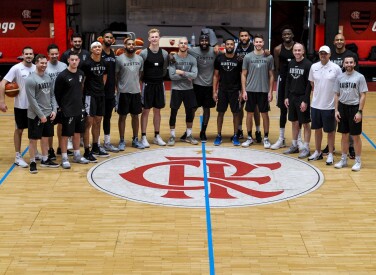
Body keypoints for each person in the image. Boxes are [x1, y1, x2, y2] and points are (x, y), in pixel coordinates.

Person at [323, 33, 359, 158]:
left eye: (341, 39)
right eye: (337, 39)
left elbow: (356, 75)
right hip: (331, 92)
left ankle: (350, 147)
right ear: (333, 42)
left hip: (346, 92)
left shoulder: (351, 55)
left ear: (344, 41)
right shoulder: (330, 55)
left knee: (348, 123)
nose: (339, 41)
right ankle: (330, 145)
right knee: (332, 120)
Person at [0, 46, 36, 168]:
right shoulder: (16, 68)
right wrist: (1, 101)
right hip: (21, 105)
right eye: (26, 54)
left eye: (31, 54)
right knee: (19, 130)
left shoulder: (36, 68)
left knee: (34, 131)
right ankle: (17, 156)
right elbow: (2, 83)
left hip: (34, 106)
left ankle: (34, 152)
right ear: (22, 55)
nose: (29, 56)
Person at [54, 51, 90, 169]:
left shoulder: (81, 74)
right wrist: (62, 107)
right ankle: (64, 157)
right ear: (68, 61)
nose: (74, 62)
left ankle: (77, 155)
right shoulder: (62, 76)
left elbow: (81, 89)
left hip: (79, 108)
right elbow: (57, 93)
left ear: (79, 61)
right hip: (67, 110)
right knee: (65, 134)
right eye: (72, 60)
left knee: (77, 133)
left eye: (76, 60)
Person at [308, 45, 342, 164]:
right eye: (321, 53)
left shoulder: (336, 68)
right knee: (317, 130)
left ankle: (331, 154)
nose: (323, 55)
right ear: (319, 54)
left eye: (325, 53)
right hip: (316, 105)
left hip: (330, 106)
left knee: (330, 131)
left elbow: (339, 87)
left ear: (329, 54)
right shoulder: (313, 67)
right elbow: (313, 84)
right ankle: (317, 152)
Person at [25, 54, 58, 173]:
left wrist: (54, 110)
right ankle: (33, 162)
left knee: (45, 138)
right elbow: (32, 100)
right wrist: (41, 115)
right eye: (41, 63)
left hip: (48, 113)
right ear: (36, 63)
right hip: (35, 115)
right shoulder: (30, 79)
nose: (44, 65)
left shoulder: (48, 77)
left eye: (45, 63)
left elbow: (52, 95)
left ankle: (45, 159)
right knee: (33, 140)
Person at [334, 55, 367, 171]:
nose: (348, 64)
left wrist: (359, 111)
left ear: (354, 64)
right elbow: (336, 95)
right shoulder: (339, 78)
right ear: (343, 64)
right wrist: (336, 110)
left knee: (355, 136)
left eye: (350, 62)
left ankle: (358, 161)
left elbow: (363, 95)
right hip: (342, 107)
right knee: (344, 135)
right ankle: (343, 159)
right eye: (346, 62)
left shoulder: (360, 77)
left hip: (354, 108)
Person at [241, 34, 274, 149]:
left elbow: (271, 75)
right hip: (250, 90)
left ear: (263, 43)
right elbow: (244, 74)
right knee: (249, 114)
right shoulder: (248, 57)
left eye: (260, 42)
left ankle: (266, 138)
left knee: (264, 114)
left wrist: (270, 91)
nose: (258, 44)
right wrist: (244, 91)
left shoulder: (269, 57)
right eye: (256, 42)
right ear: (253, 43)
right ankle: (249, 137)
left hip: (264, 91)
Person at [182, 34, 216, 141]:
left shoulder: (214, 51)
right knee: (192, 108)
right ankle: (188, 131)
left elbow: (227, 50)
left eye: (206, 40)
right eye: (202, 40)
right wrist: (171, 55)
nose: (204, 42)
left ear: (209, 42)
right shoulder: (193, 50)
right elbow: (181, 49)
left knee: (207, 108)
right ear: (199, 41)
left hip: (209, 86)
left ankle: (203, 132)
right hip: (196, 85)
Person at [139, 28, 169, 148]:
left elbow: (164, 69)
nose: (154, 39)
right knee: (145, 111)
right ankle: (144, 137)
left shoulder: (164, 53)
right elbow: (140, 71)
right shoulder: (144, 53)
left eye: (156, 37)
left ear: (159, 38)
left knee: (158, 110)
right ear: (149, 39)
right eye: (152, 37)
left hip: (159, 85)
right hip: (147, 85)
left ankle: (157, 136)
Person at [60, 33, 90, 150]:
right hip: (70, 89)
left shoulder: (86, 54)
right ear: (71, 42)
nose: (77, 43)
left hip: (82, 88)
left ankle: (80, 138)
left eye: (79, 41)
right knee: (69, 117)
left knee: (82, 116)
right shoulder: (65, 54)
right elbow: (64, 71)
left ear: (82, 42)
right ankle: (69, 139)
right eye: (75, 41)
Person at [81, 41, 109, 162]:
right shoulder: (86, 63)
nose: (98, 48)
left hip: (100, 95)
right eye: (95, 47)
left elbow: (104, 77)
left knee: (98, 121)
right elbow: (82, 82)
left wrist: (100, 89)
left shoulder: (104, 62)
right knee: (89, 122)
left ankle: (95, 147)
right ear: (91, 50)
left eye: (99, 47)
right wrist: (83, 96)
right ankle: (87, 151)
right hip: (89, 96)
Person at [167, 37, 198, 146]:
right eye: (181, 43)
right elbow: (171, 76)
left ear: (187, 46)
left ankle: (189, 135)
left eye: (185, 43)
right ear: (178, 45)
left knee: (190, 113)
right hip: (176, 90)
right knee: (173, 113)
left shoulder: (192, 59)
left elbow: (194, 75)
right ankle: (172, 136)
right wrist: (187, 75)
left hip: (188, 90)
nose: (183, 45)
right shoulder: (173, 58)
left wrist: (181, 72)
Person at [115, 38, 145, 150]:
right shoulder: (119, 59)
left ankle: (135, 139)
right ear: (125, 46)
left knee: (135, 116)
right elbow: (116, 76)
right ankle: (122, 140)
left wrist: (137, 85)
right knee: (122, 116)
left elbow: (140, 74)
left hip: (136, 92)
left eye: (133, 44)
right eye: (129, 44)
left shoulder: (140, 59)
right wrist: (118, 89)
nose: (131, 46)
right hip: (123, 92)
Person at [283, 43, 312, 158]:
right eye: (295, 50)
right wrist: (286, 97)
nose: (297, 52)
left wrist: (305, 100)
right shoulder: (291, 63)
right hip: (292, 97)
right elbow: (288, 81)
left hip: (302, 98)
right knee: (294, 122)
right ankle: (294, 145)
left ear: (303, 51)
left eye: (299, 50)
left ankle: (306, 148)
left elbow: (309, 85)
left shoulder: (308, 64)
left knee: (305, 123)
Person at [212, 38, 242, 146]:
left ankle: (235, 135)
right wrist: (214, 91)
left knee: (236, 113)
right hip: (222, 90)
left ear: (234, 46)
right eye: (228, 44)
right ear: (225, 46)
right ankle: (219, 135)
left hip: (235, 90)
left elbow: (242, 76)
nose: (229, 46)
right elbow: (215, 76)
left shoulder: (239, 59)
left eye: (231, 44)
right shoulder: (219, 58)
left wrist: (242, 91)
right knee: (220, 113)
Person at [271, 26, 296, 150]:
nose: (287, 36)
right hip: (283, 80)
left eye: (289, 34)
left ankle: (298, 140)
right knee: (283, 110)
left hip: (296, 80)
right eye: (284, 34)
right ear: (282, 36)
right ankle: (281, 138)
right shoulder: (277, 49)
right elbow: (277, 67)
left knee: (296, 111)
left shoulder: (298, 48)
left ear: (292, 35)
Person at [235, 30, 262, 143]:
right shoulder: (236, 47)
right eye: (242, 36)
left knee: (255, 108)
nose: (244, 37)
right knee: (240, 106)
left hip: (252, 81)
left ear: (249, 38)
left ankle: (258, 131)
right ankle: (240, 129)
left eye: (246, 35)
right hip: (238, 80)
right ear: (239, 37)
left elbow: (263, 53)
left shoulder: (254, 47)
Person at [45, 44, 68, 160]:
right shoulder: (45, 66)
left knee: (61, 125)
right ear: (48, 54)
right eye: (52, 54)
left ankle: (60, 147)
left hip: (62, 100)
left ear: (59, 53)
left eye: (56, 53)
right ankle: (50, 149)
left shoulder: (64, 66)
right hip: (48, 100)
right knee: (50, 127)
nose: (54, 56)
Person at [100, 30, 119, 153]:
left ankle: (107, 142)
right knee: (95, 119)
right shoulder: (98, 52)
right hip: (98, 92)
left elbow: (114, 74)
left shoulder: (112, 53)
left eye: (111, 38)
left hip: (110, 91)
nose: (109, 39)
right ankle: (94, 143)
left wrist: (116, 88)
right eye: (107, 37)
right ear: (102, 39)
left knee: (107, 117)